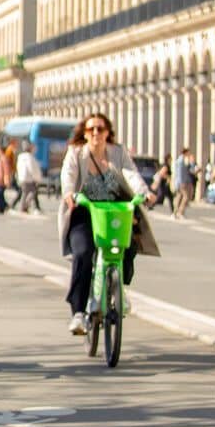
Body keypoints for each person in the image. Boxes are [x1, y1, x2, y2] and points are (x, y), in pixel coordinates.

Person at [59, 112, 160, 335]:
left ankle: (118, 288)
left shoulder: (118, 153)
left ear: (108, 133)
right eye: (91, 129)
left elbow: (131, 174)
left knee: (129, 245)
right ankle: (78, 312)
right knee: (84, 253)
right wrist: (69, 193)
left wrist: (144, 193)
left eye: (100, 129)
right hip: (85, 211)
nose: (96, 133)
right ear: (84, 133)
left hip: (115, 210)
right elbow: (68, 175)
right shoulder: (76, 153)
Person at [16, 141, 43, 213]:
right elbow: (32, 169)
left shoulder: (20, 157)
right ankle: (24, 206)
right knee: (32, 192)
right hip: (29, 179)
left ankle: (24, 207)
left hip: (22, 178)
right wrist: (37, 178)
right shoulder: (29, 157)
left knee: (25, 193)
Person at [173, 148, 198, 218]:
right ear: (185, 152)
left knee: (179, 197)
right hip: (181, 183)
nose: (189, 154)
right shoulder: (181, 161)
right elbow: (180, 173)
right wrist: (182, 183)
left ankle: (175, 213)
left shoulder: (182, 160)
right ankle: (180, 212)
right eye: (188, 153)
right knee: (185, 197)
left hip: (182, 182)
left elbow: (189, 171)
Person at [0, 144, 13, 214]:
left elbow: (6, 170)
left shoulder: (4, 159)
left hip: (1, 181)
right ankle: (2, 207)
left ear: (1, 151)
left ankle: (2, 206)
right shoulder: (0, 159)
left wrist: (6, 180)